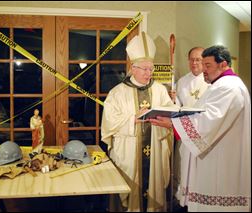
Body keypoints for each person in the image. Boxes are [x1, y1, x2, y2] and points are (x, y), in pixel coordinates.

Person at [150, 45, 251, 212]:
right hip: (217, 153)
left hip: (221, 159)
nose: (203, 69)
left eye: (208, 65)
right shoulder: (220, 84)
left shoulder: (228, 87)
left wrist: (173, 123)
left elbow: (209, 120)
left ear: (223, 64)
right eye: (202, 64)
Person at [101, 31, 175, 212]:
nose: (149, 73)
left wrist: (169, 113)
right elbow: (109, 122)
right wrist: (133, 118)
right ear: (133, 68)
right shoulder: (117, 92)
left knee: (154, 185)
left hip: (155, 151)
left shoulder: (159, 90)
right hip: (129, 151)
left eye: (151, 69)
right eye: (144, 69)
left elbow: (170, 116)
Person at [170, 47, 210, 210]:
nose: (194, 63)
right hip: (186, 132)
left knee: (201, 170)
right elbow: (179, 107)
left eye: (198, 59)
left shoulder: (210, 81)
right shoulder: (182, 81)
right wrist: (174, 100)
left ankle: (201, 199)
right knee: (185, 166)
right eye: (192, 59)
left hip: (203, 133)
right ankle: (185, 201)